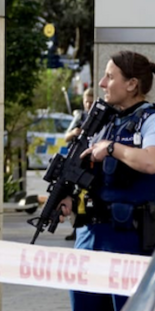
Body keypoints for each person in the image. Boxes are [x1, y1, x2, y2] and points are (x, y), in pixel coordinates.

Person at [59, 51, 155, 311]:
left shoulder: (150, 119)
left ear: (132, 84)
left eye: (110, 77)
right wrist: (68, 195)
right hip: (89, 239)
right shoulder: (101, 121)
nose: (102, 83)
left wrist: (112, 148)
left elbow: (151, 161)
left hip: (129, 241)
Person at [63, 87, 94, 241]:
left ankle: (84, 226)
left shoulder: (97, 118)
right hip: (76, 160)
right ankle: (75, 229)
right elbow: (66, 137)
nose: (88, 105)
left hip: (89, 161)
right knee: (73, 196)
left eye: (90, 101)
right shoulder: (80, 117)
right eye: (86, 101)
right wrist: (75, 133)